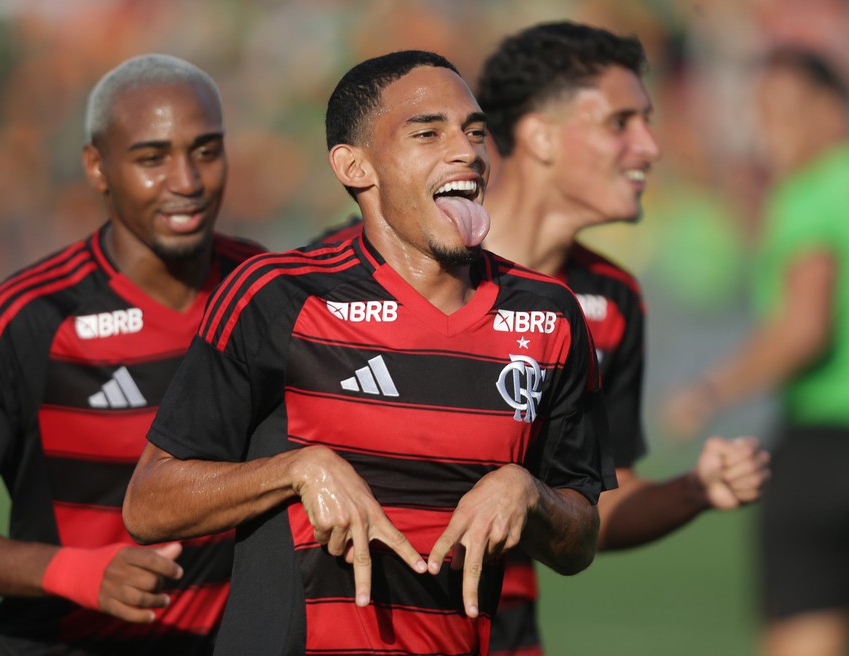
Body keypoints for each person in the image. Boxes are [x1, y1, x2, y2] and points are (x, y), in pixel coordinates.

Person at [123, 50, 615, 655]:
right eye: (428, 132)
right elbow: (149, 505)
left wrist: (529, 493)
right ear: (354, 165)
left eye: (474, 131)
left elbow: (579, 540)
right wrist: (297, 469)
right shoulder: (276, 296)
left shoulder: (550, 314)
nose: (467, 150)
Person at [0, 54, 264, 655]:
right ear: (97, 167)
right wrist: (77, 572)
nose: (187, 181)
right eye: (152, 158)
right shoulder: (29, 316)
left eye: (205, 150)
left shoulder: (263, 292)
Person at [474, 21, 771, 655]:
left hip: (502, 627)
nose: (650, 146)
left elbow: (595, 507)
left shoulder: (611, 299)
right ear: (540, 136)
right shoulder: (397, 264)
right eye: (620, 122)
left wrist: (695, 489)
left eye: (649, 120)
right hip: (360, 622)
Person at [663, 47, 849, 656]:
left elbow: (804, 326)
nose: (772, 131)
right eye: (763, 113)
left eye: (787, 111)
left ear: (832, 111)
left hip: (827, 448)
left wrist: (711, 390)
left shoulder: (813, 194)